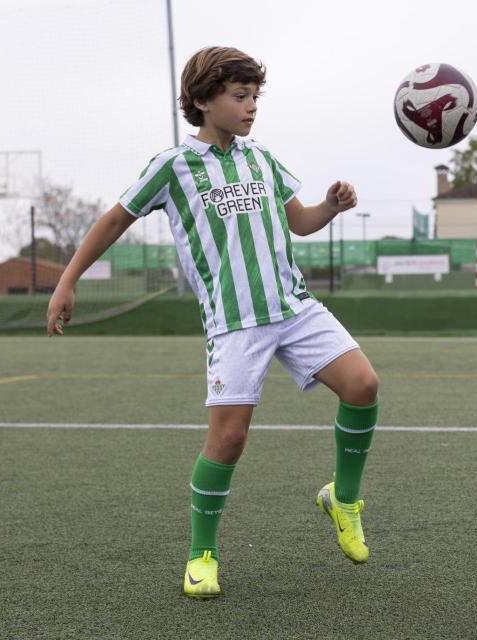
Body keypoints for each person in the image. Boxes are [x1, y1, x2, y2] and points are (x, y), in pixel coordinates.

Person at [45, 46, 379, 599]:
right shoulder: (172, 166)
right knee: (227, 440)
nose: (251, 107)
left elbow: (301, 224)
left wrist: (331, 206)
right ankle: (202, 554)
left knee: (364, 385)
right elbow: (113, 220)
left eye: (255, 97)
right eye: (239, 96)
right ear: (202, 101)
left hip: (293, 308)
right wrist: (67, 280)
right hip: (235, 322)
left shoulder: (262, 159)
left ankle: (342, 499)